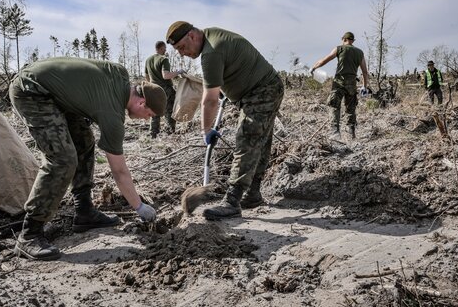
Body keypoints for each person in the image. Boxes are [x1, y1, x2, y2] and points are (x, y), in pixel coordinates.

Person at [9, 57, 166, 260]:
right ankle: (29, 234)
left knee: (84, 142)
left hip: (54, 93)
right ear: (142, 102)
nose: (147, 119)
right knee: (63, 159)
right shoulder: (111, 113)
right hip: (32, 91)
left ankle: (84, 212)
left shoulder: (120, 75)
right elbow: (119, 171)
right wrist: (139, 206)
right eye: (149, 114)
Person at [166, 21, 284, 220]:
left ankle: (232, 200)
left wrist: (206, 130)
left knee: (247, 138)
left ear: (192, 36)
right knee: (260, 141)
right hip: (263, 88)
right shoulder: (211, 38)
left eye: (182, 48)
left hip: (263, 89)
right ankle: (253, 193)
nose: (181, 53)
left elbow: (209, 100)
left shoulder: (211, 52)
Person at [310, 31, 369, 139]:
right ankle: (351, 134)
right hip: (352, 83)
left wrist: (314, 67)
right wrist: (364, 86)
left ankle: (335, 133)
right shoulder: (360, 52)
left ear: (344, 39)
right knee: (350, 108)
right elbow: (365, 71)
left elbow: (325, 60)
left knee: (334, 106)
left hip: (339, 83)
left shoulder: (339, 48)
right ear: (352, 41)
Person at [144, 41, 185, 138]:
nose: (166, 50)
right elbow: (166, 75)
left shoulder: (148, 60)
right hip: (165, 89)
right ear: (161, 48)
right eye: (165, 48)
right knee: (170, 110)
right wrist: (178, 72)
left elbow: (146, 76)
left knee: (155, 111)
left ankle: (153, 134)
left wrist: (152, 84)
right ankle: (170, 132)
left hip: (153, 89)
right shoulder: (163, 59)